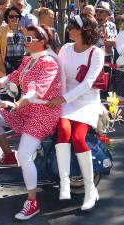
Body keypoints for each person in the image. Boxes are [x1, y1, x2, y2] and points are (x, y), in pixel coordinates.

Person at [0, 25, 61, 220]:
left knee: (24, 154)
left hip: (43, 113)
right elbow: (14, 77)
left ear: (42, 42)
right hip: (26, 109)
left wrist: (17, 103)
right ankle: (7, 155)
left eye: (29, 39)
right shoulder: (29, 59)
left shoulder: (48, 62)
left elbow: (36, 91)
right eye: (24, 38)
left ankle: (32, 202)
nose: (24, 42)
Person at [47, 13, 104, 210]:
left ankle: (90, 190)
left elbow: (89, 83)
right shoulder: (65, 48)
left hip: (87, 101)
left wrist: (63, 99)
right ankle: (64, 182)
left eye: (73, 27)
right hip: (66, 100)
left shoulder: (96, 53)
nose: (69, 29)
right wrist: (59, 99)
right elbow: (60, 77)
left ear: (85, 31)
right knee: (63, 131)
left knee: (79, 138)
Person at [0, 6, 25, 78]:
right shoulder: (1, 30)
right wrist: (1, 65)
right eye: (11, 16)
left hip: (21, 66)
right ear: (7, 18)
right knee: (6, 88)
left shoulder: (23, 31)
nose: (14, 18)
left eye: (16, 16)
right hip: (7, 64)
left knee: (18, 88)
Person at [95, 1, 117, 99]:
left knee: (107, 83)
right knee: (96, 84)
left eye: (102, 11)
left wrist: (111, 42)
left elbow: (116, 40)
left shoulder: (112, 25)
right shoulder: (92, 25)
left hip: (108, 58)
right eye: (97, 11)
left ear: (107, 13)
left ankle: (104, 105)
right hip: (96, 58)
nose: (98, 13)